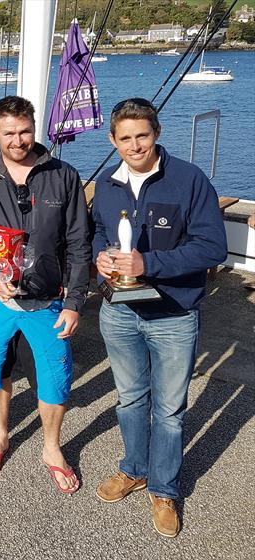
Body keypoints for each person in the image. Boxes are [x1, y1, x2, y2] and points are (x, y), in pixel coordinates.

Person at [93, 98, 227, 537]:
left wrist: (147, 264)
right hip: (120, 311)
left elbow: (212, 248)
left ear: (157, 133)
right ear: (113, 141)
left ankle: (165, 489)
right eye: (126, 138)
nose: (135, 146)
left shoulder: (189, 180)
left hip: (173, 313)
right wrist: (100, 257)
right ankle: (133, 468)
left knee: (168, 411)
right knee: (130, 399)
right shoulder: (107, 184)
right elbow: (98, 231)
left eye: (142, 136)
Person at [0, 95, 91, 493]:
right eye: (8, 132)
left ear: (34, 128)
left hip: (48, 302)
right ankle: (0, 434)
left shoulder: (63, 175)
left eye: (25, 130)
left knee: (56, 377)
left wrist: (76, 301)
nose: (18, 139)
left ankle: (51, 447)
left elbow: (80, 243)